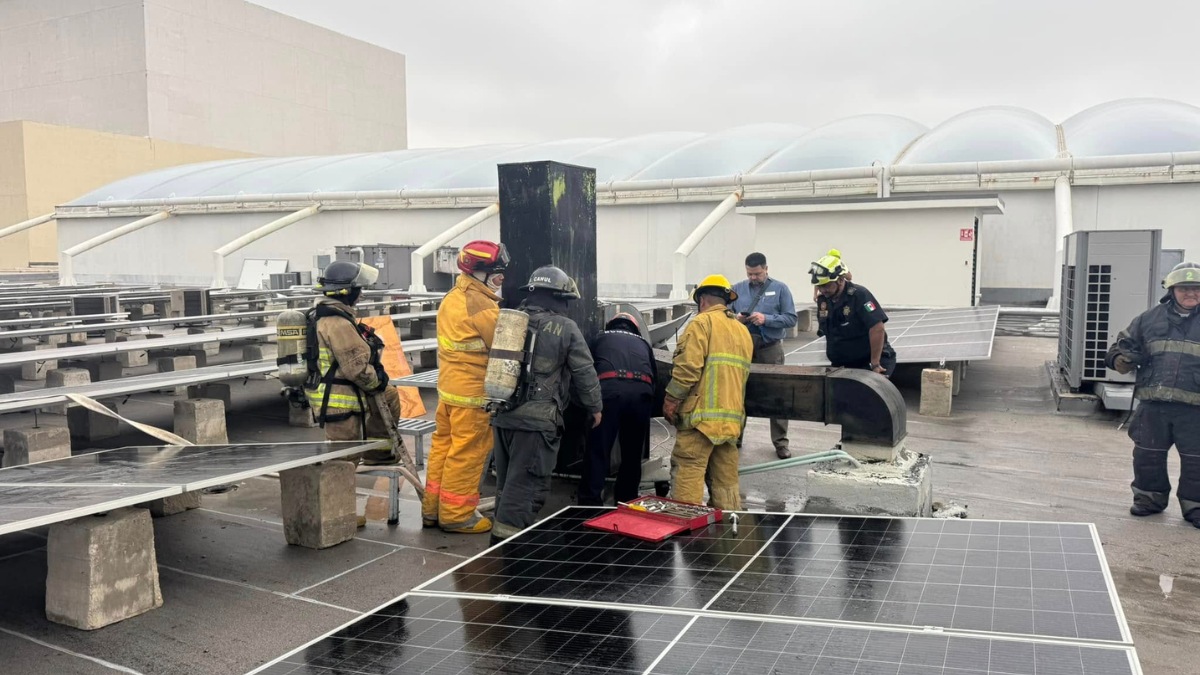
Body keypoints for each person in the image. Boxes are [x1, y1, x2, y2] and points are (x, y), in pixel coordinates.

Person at [490, 266, 603, 544]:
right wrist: (595, 407)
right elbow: (584, 372)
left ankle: (497, 551)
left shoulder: (513, 320)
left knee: (507, 488)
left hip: (503, 416)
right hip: (537, 424)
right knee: (526, 491)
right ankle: (510, 557)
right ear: (559, 297)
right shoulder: (565, 327)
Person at [421, 241, 510, 534]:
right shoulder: (481, 305)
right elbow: (504, 345)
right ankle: (457, 515)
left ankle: (433, 511)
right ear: (480, 273)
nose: (501, 280)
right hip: (473, 397)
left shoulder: (452, 296)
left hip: (449, 392)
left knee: (443, 451)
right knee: (467, 455)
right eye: (497, 274)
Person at [1105, 261, 1200, 528]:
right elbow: (1117, 347)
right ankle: (1149, 499)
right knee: (1147, 455)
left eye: (1197, 288)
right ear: (1171, 290)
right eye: (1184, 288)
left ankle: (1196, 506)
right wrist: (1119, 360)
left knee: (1197, 461)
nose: (1191, 294)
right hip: (1153, 405)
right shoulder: (1149, 319)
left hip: (1196, 409)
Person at [662, 274, 753, 510]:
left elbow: (688, 369)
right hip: (731, 422)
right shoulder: (743, 332)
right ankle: (727, 534)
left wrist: (671, 400)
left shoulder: (701, 323)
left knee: (688, 471)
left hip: (700, 421)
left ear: (702, 300)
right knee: (725, 482)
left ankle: (686, 527)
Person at [306, 261, 404, 466]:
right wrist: (377, 381)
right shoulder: (338, 323)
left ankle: (378, 454)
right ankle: (337, 495)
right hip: (338, 397)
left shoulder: (324, 315)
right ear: (346, 292)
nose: (361, 295)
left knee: (390, 396)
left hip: (334, 389)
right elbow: (357, 370)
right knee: (344, 460)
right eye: (358, 290)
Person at [578, 312, 657, 506]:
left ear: (611, 324)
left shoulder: (600, 337)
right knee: (632, 452)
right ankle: (627, 498)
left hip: (610, 392)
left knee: (599, 449)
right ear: (635, 328)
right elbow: (654, 375)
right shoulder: (644, 344)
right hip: (641, 394)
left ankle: (590, 502)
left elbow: (586, 367)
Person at [731, 252, 797, 459]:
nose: (753, 278)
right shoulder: (736, 289)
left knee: (776, 393)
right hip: (742, 348)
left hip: (770, 348)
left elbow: (791, 318)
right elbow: (724, 315)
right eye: (750, 274)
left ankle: (780, 443)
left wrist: (766, 319)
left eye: (757, 274)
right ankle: (735, 438)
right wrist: (736, 319)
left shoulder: (780, 289)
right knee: (738, 392)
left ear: (766, 269)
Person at [810, 251, 896, 376]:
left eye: (827, 286)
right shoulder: (824, 300)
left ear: (839, 280)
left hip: (869, 364)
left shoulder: (859, 295)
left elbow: (877, 328)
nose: (823, 290)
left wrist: (875, 364)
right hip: (842, 365)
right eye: (819, 286)